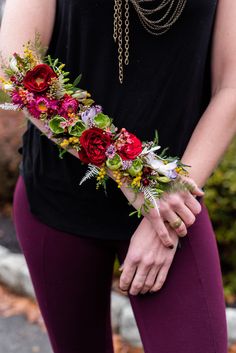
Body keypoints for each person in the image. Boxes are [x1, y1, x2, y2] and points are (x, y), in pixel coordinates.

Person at [0, 0, 234, 352]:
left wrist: (166, 198)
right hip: (59, 201)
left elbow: (230, 87)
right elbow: (16, 67)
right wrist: (129, 171)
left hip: (172, 206)